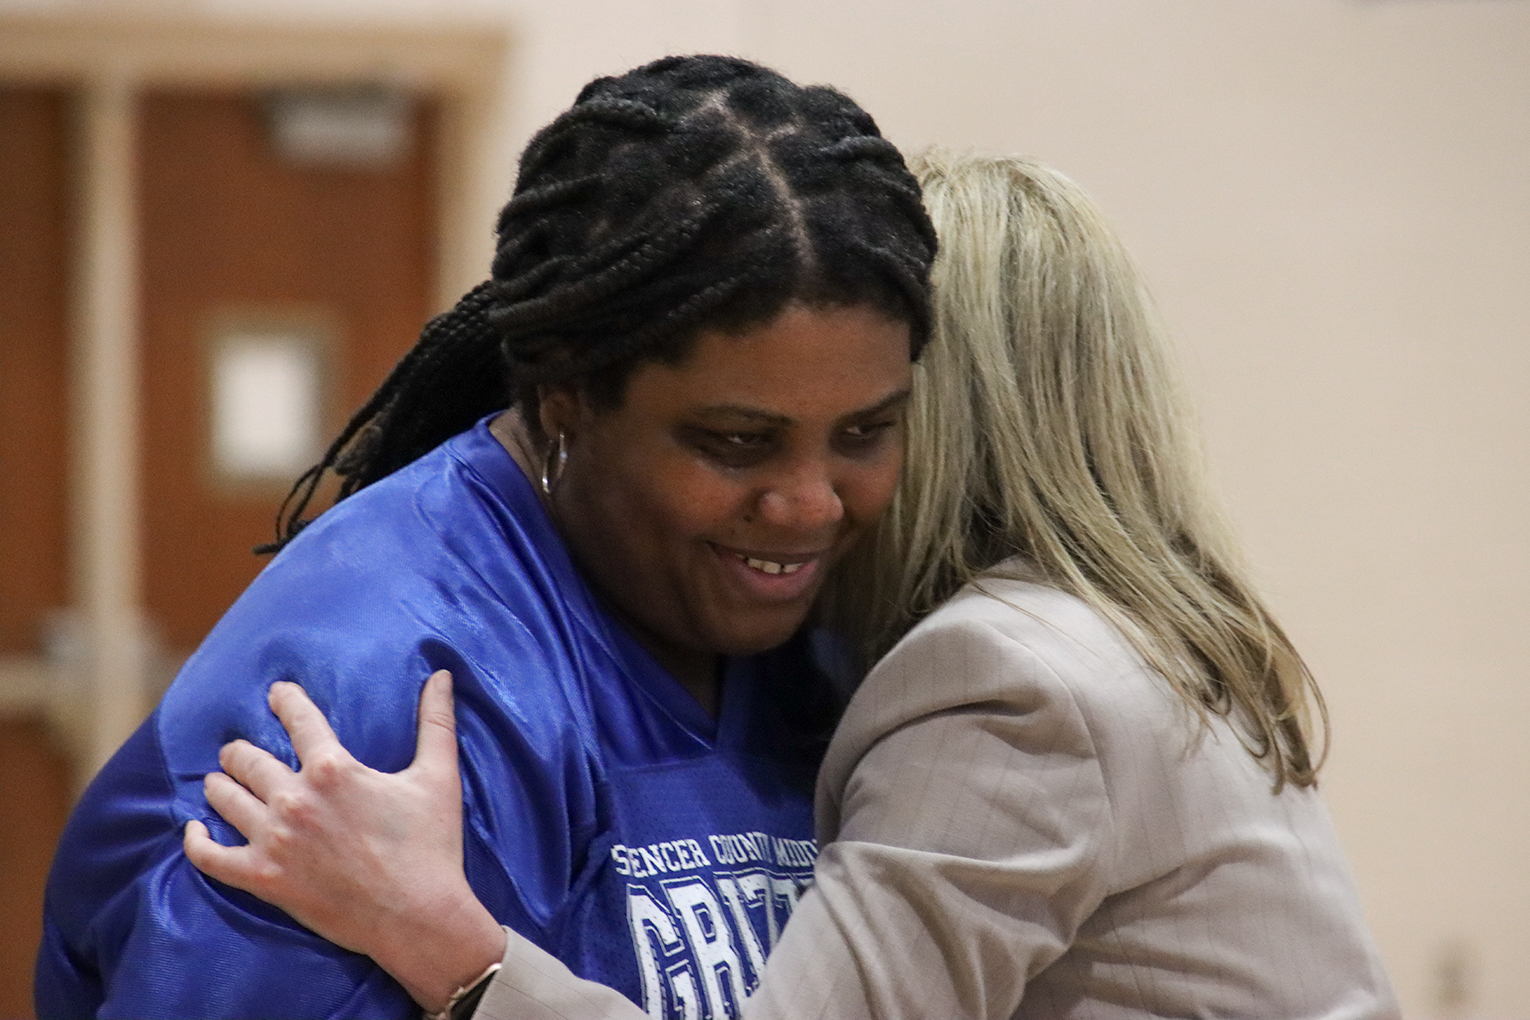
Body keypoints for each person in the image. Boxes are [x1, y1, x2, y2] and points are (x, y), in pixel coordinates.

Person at [188, 152, 1401, 1019]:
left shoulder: (1009, 678)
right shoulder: (1145, 638)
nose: (808, 494)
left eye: (862, 418)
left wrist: (444, 941)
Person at [34, 55, 939, 1020]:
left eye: (865, 432)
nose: (810, 505)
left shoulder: (831, 649)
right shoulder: (362, 714)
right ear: (564, 402)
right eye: (737, 441)